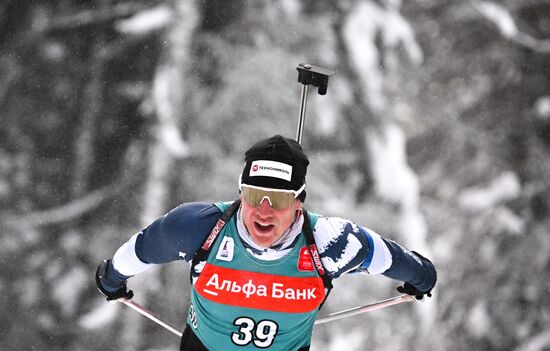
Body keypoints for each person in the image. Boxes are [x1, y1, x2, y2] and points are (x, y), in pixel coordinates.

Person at [95, 134, 437, 351]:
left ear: (300, 201)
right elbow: (139, 250)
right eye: (255, 195)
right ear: (241, 192)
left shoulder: (331, 243)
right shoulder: (198, 228)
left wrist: (422, 275)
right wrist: (111, 277)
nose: (264, 210)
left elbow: (393, 259)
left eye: (279, 198)